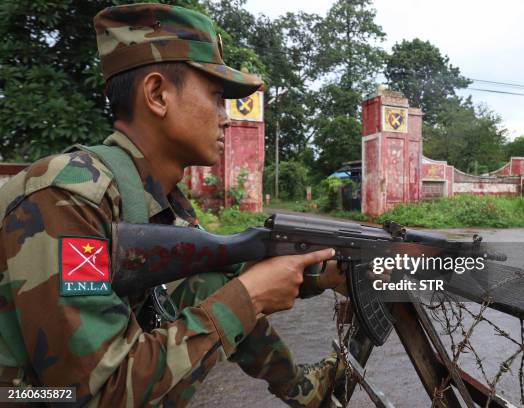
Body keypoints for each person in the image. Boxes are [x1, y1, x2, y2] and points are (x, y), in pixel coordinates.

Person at [0, 3, 346, 406]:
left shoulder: (154, 200)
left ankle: (302, 390)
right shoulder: (66, 201)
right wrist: (249, 297)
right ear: (158, 94)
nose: (227, 118)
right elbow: (97, 394)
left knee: (210, 285)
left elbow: (222, 274)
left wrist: (320, 276)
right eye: (217, 97)